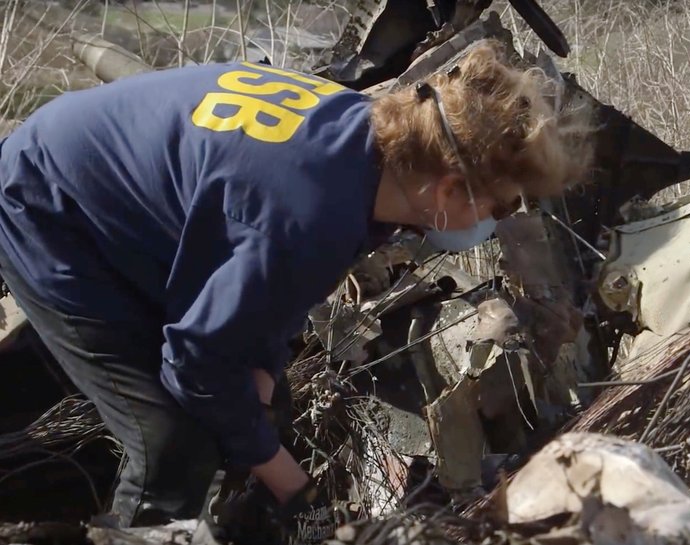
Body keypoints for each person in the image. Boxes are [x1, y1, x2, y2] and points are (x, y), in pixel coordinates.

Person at [0, 40, 593, 542]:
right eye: (502, 203)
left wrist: (261, 397)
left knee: (257, 412)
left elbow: (258, 303)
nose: (500, 217)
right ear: (450, 188)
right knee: (171, 446)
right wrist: (297, 493)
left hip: (119, 205)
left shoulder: (368, 151)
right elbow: (198, 364)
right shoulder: (313, 212)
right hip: (54, 206)